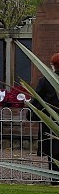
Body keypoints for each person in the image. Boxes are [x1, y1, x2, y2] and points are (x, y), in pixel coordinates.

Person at [32, 52, 59, 184]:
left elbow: (37, 99)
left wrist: (31, 114)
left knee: (53, 153)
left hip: (50, 122)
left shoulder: (45, 81)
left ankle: (54, 180)